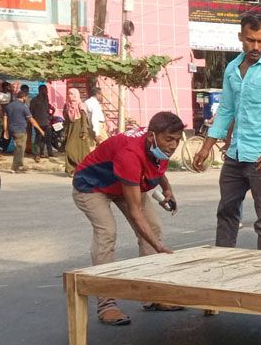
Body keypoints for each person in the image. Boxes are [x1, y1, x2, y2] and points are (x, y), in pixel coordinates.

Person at [192, 13, 261, 251]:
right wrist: (206, 147)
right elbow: (226, 110)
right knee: (226, 213)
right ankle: (223, 264)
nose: (255, 46)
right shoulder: (232, 69)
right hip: (235, 156)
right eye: (250, 40)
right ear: (241, 37)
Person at [72, 111, 185, 325]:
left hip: (123, 182)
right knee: (107, 233)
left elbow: (156, 167)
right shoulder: (130, 154)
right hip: (91, 186)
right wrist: (158, 247)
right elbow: (135, 211)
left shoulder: (156, 146)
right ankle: (107, 305)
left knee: (153, 228)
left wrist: (167, 189)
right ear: (152, 136)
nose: (173, 145)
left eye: (177, 140)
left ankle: (151, 296)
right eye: (168, 139)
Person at [2, 87, 43, 173]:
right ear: (24, 97)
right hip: (20, 130)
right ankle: (17, 167)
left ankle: (18, 165)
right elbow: (32, 120)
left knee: (17, 148)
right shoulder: (23, 107)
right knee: (20, 149)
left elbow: (5, 119)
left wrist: (5, 130)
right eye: (26, 97)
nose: (27, 99)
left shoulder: (9, 106)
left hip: (11, 129)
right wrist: (40, 129)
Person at [28, 84, 54, 161]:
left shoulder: (46, 100)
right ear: (41, 90)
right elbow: (30, 112)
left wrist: (50, 115)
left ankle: (44, 153)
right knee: (38, 138)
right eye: (45, 90)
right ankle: (37, 155)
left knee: (46, 138)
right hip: (38, 123)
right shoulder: (34, 100)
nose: (47, 92)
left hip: (47, 122)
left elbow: (48, 109)